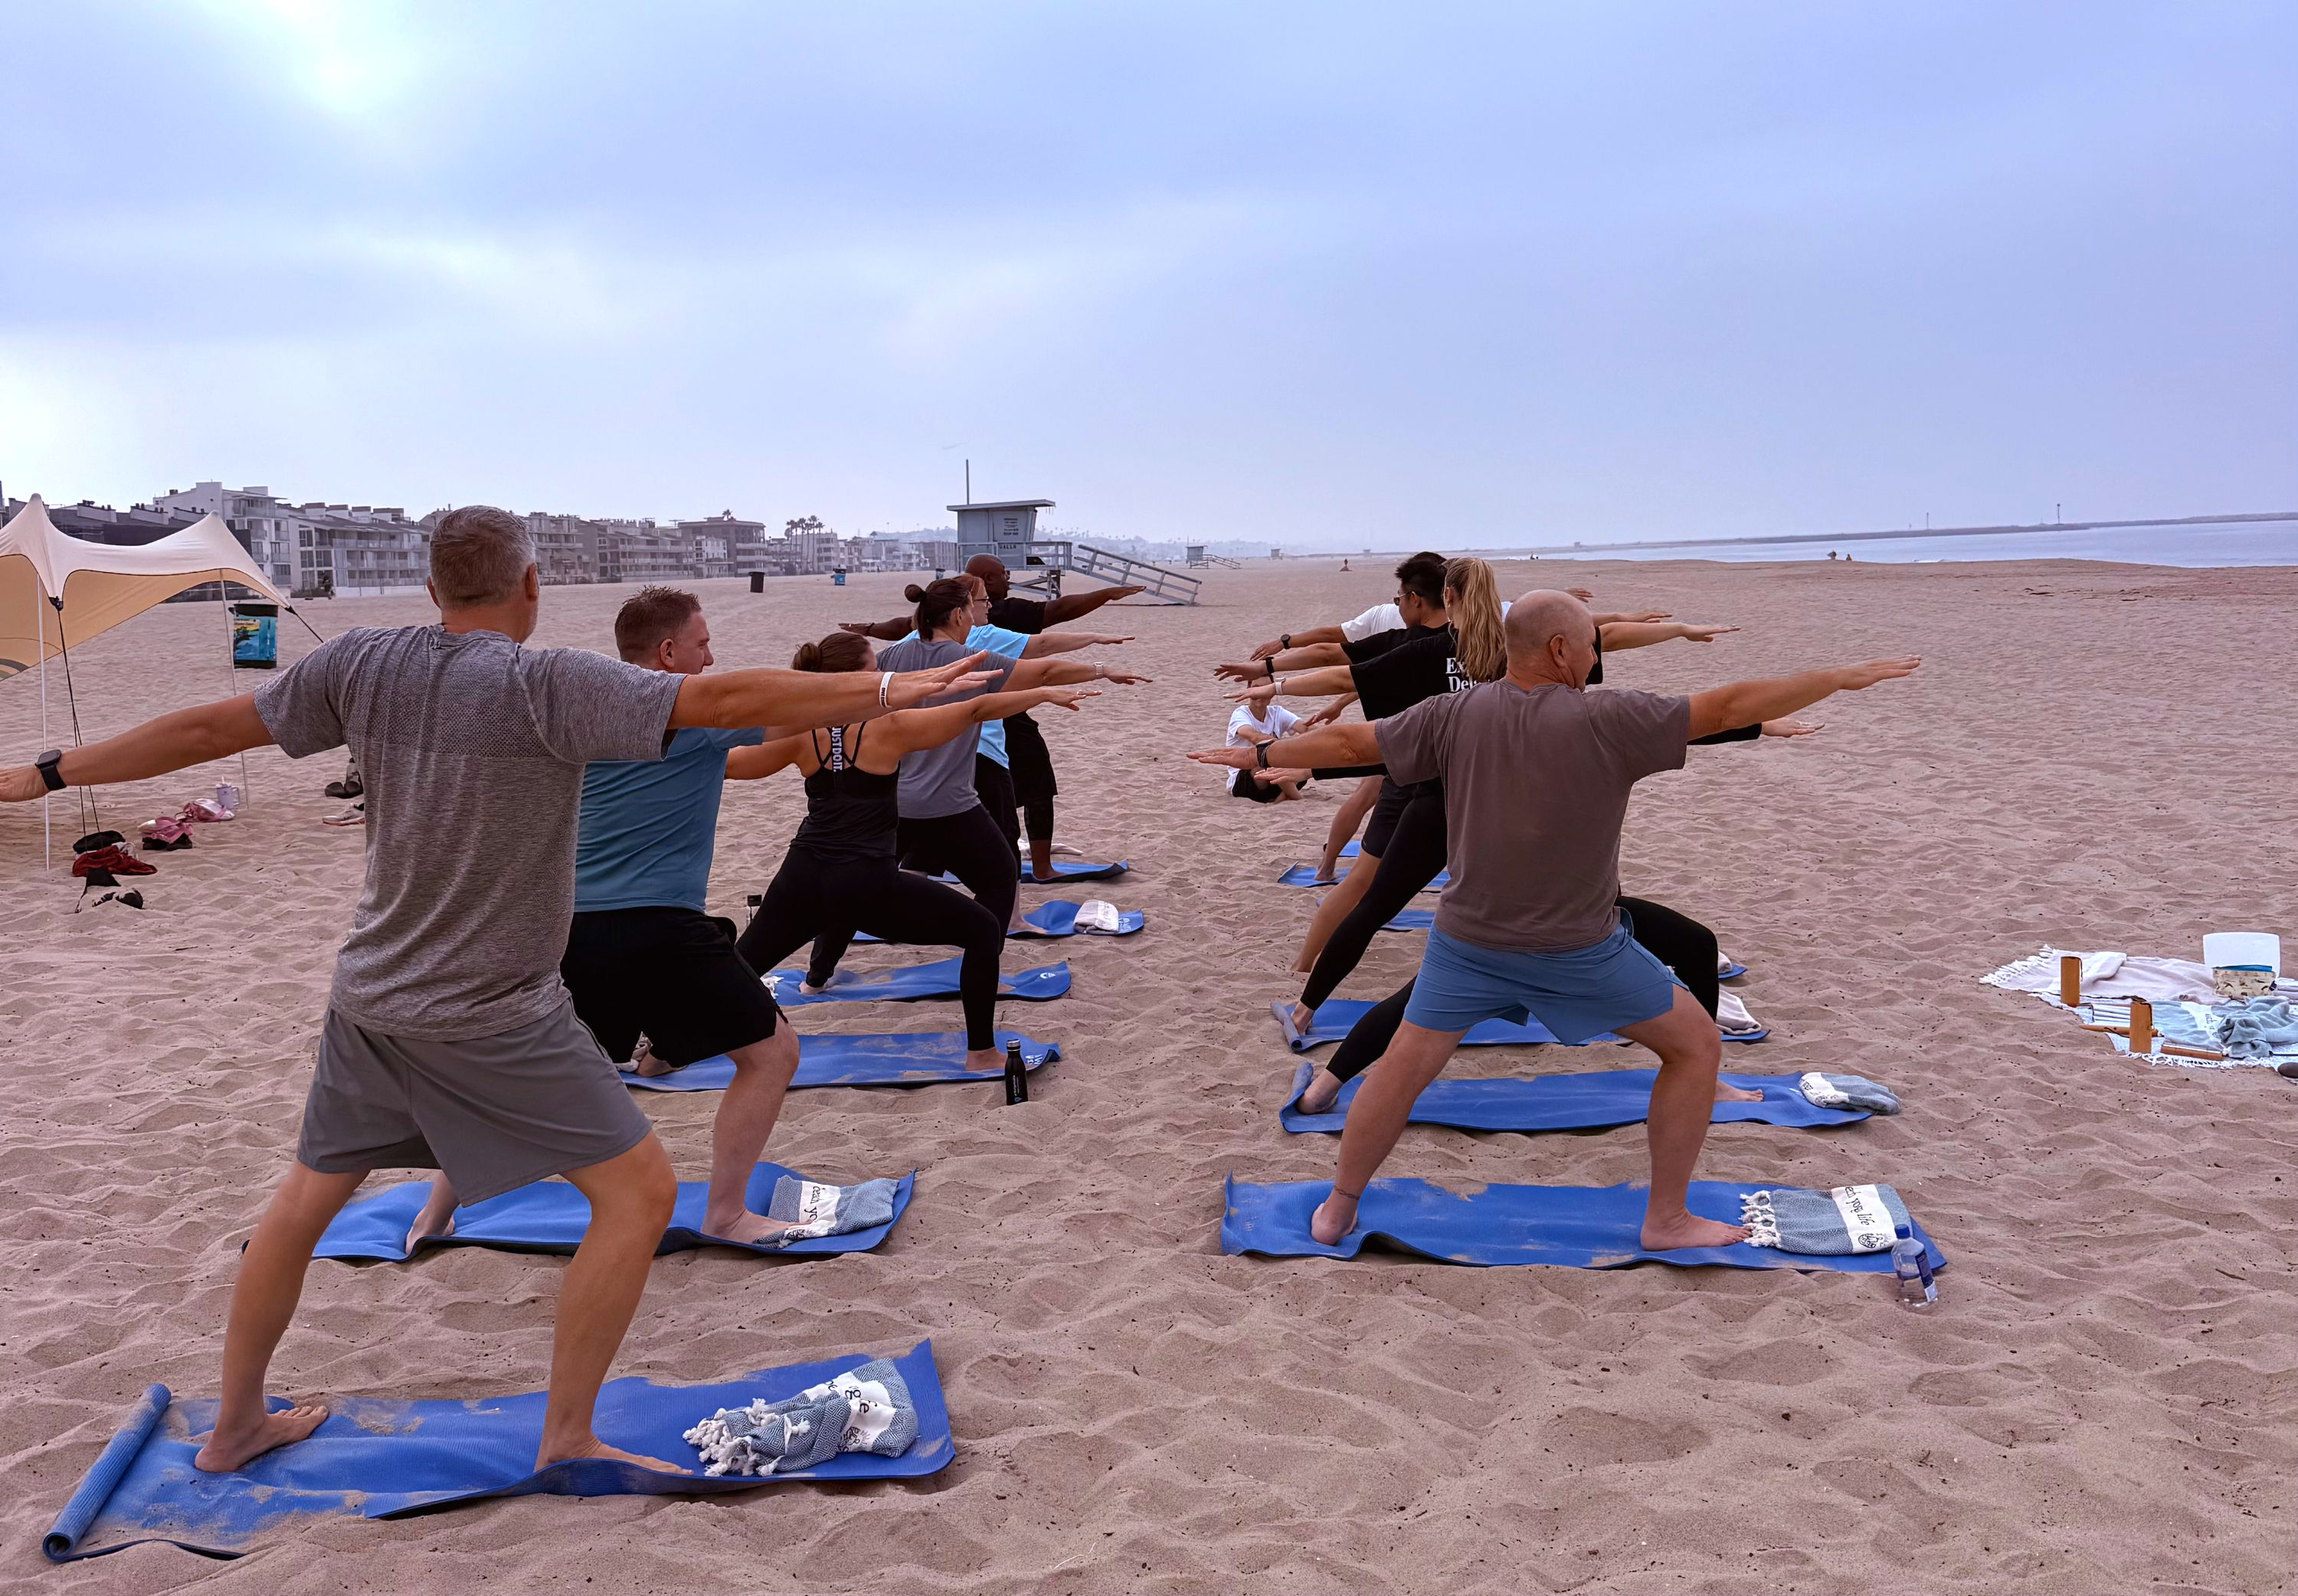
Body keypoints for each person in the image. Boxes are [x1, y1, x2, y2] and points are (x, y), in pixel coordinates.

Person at [0, 506, 996, 1476]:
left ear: (433, 590)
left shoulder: (363, 662)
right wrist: (887, 695)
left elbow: (204, 729)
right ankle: (567, 1433)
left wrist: (45, 772)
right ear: (530, 586)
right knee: (642, 1194)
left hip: (371, 993)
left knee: (305, 1199)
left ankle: (235, 1428)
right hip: (492, 1007)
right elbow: (726, 701)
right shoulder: (551, 685)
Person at [1190, 589, 1920, 1250]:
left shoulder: (1453, 713)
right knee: (1697, 1047)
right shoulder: (1609, 718)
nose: (1598, 657)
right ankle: (1666, 1219)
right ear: (1564, 649)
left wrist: (1263, 752)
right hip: (1580, 949)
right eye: (1593, 645)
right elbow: (1726, 707)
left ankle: (1338, 1207)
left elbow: (1351, 743)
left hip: (1467, 944)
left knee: (1402, 1070)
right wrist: (1837, 677)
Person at [400, 587, 789, 1250]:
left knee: (529, 1084)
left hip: (567, 927)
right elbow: (788, 714)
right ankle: (726, 1212)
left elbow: (739, 764)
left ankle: (431, 1214)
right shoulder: (691, 714)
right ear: (668, 653)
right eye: (701, 645)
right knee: (771, 1054)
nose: (711, 656)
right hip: (656, 927)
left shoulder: (584, 715)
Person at [729, 633, 1098, 1066]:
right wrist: (1042, 693)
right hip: (866, 883)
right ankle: (981, 1053)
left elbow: (732, 765)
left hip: (801, 875)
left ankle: (662, 1054)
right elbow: (976, 709)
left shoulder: (798, 733)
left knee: (738, 968)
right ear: (863, 678)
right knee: (981, 930)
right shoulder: (888, 729)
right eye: (878, 668)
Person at [800, 576, 1149, 988]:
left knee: (856, 887)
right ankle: (984, 974)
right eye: (971, 608)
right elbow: (1044, 670)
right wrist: (1101, 670)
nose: (975, 617)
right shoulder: (969, 660)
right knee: (1001, 881)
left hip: (892, 805)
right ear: (957, 614)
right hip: (950, 805)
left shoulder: (890, 657)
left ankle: (816, 977)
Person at [843, 557, 1144, 882]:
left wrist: (868, 632)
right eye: (979, 602)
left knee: (917, 842)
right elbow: (1042, 661)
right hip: (976, 750)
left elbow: (878, 662)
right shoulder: (978, 646)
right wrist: (1099, 664)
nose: (981, 611)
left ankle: (888, 905)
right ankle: (1024, 895)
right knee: (1004, 836)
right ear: (959, 613)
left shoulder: (898, 650)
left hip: (913, 761)